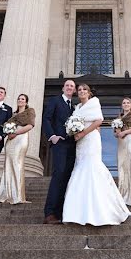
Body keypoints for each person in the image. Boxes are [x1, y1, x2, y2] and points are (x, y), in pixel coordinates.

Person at [62, 83, 131, 226]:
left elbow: (99, 121)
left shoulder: (94, 103)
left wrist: (82, 133)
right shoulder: (77, 108)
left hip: (91, 139)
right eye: (80, 90)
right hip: (80, 142)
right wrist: (75, 132)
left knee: (92, 168)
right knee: (81, 168)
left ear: (89, 93)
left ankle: (101, 210)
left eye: (84, 90)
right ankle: (78, 212)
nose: (81, 91)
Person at [42, 80, 76, 224]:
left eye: (72, 86)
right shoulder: (55, 101)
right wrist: (52, 136)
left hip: (72, 146)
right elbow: (46, 119)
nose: (69, 88)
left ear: (74, 91)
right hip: (59, 144)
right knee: (58, 175)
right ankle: (49, 213)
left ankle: (60, 212)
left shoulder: (74, 107)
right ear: (63, 88)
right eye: (67, 85)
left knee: (67, 178)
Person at [0, 93, 35, 204]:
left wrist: (15, 133)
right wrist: (9, 133)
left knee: (17, 163)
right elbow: (6, 128)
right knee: (8, 164)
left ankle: (18, 196)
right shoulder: (12, 114)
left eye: (23, 99)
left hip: (21, 138)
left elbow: (30, 126)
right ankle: (6, 195)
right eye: (19, 99)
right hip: (10, 141)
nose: (20, 100)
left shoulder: (30, 111)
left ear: (26, 102)